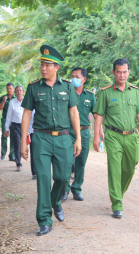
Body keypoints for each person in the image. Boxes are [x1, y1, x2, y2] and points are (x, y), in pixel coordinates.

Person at [20, 45, 82, 236]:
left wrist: (78, 138)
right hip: (41, 138)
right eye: (42, 64)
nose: (43, 68)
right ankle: (45, 220)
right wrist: (24, 141)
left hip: (63, 139)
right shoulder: (33, 88)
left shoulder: (67, 87)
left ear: (57, 67)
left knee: (63, 178)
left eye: (48, 65)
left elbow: (73, 112)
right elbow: (27, 114)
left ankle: (55, 202)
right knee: (43, 180)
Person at [93, 58, 139, 219]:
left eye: (125, 72)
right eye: (119, 72)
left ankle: (119, 193)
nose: (122, 75)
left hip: (131, 136)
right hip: (112, 135)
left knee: (130, 167)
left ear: (128, 72)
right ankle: (117, 203)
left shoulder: (135, 92)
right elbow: (99, 116)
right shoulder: (106, 92)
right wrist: (97, 136)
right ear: (113, 73)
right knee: (115, 168)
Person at [61, 67, 104, 202]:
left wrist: (100, 132)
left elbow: (96, 115)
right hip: (68, 132)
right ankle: (65, 189)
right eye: (72, 76)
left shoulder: (90, 96)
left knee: (81, 162)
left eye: (77, 77)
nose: (74, 79)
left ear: (84, 79)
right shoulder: (66, 93)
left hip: (84, 132)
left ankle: (77, 188)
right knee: (67, 161)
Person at [4, 85, 25, 171]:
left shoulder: (26, 101)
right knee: (17, 144)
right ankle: (18, 163)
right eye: (17, 91)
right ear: (15, 93)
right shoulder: (12, 102)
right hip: (15, 126)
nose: (19, 92)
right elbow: (9, 116)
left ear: (23, 92)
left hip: (25, 126)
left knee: (24, 144)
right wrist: (6, 129)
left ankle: (20, 158)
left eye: (20, 90)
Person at [0, 83, 16, 161]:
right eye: (7, 88)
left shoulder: (16, 98)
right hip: (5, 119)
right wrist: (4, 101)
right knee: (4, 136)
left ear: (13, 89)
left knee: (13, 137)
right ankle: (3, 153)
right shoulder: (2, 98)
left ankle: (12, 155)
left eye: (10, 88)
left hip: (14, 120)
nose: (9, 90)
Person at [28, 110, 37, 179]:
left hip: (44, 132)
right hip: (33, 131)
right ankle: (34, 172)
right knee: (33, 152)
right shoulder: (32, 108)